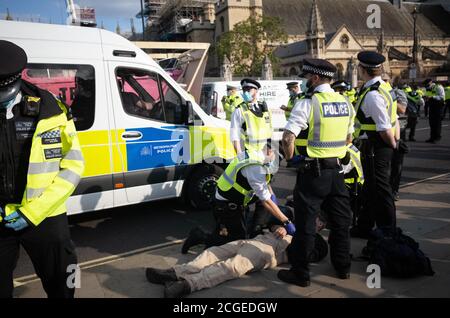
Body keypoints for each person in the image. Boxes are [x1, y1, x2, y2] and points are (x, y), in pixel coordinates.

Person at [0, 40, 85, 298]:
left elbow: (73, 165)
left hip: (45, 215)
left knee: (66, 277)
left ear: (15, 81)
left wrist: (32, 212)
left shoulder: (50, 109)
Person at [278, 58, 354, 287]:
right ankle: (343, 268)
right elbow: (349, 138)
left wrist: (291, 159)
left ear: (315, 77)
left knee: (306, 224)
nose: (305, 82)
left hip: (313, 173)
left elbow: (287, 137)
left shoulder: (309, 102)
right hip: (338, 171)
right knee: (341, 222)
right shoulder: (344, 102)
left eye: (307, 77)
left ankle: (301, 274)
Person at [146, 208, 329, 298]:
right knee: (213, 253)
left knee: (230, 267)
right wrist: (279, 226)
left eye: (319, 222)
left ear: (321, 227)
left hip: (267, 252)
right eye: (315, 219)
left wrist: (295, 236)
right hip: (255, 240)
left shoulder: (318, 242)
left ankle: (187, 285)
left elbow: (306, 256)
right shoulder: (293, 222)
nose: (315, 223)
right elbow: (269, 223)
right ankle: (175, 273)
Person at [181, 145, 294, 254]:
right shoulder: (256, 167)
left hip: (231, 201)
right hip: (226, 205)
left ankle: (212, 242)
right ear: (269, 151)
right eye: (275, 160)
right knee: (235, 241)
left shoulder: (256, 155)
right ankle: (199, 237)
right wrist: (286, 221)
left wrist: (271, 196)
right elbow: (265, 201)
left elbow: (266, 187)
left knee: (229, 232)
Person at [350, 51, 397, 239]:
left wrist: (392, 144)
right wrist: (396, 139)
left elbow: (384, 126)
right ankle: (365, 226)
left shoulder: (373, 94)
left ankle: (388, 231)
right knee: (370, 187)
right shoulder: (384, 86)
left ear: (363, 70)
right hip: (376, 144)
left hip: (376, 145)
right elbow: (395, 118)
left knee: (381, 189)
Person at [230, 79, 272, 154]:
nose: (246, 92)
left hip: (264, 152)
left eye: (249, 89)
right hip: (248, 152)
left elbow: (268, 131)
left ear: (256, 90)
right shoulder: (239, 110)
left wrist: (269, 150)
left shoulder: (264, 108)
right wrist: (240, 155)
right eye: (244, 90)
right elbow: (234, 135)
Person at [423, 78, 445, 143]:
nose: (426, 86)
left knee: (437, 123)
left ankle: (437, 137)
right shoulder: (428, 89)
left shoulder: (438, 87)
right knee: (431, 123)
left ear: (431, 82)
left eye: (427, 84)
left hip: (438, 106)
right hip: (432, 106)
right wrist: (426, 98)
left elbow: (442, 97)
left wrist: (432, 97)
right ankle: (432, 137)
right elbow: (428, 96)